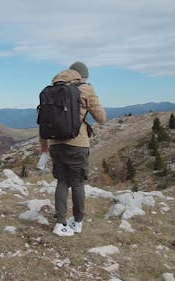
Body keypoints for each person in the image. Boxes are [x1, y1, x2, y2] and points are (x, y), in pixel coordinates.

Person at [40, 61, 106, 237]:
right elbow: (101, 118)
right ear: (82, 76)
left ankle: (60, 223)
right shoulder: (86, 89)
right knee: (77, 183)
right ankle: (77, 223)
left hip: (54, 143)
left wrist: (44, 148)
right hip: (77, 143)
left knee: (62, 182)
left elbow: (43, 118)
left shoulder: (52, 89)